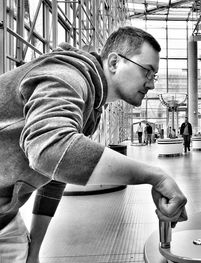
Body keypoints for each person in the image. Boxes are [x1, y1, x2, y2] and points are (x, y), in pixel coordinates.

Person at [0, 26, 187, 263]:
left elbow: (54, 174)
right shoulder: (66, 76)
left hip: (7, 220)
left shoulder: (91, 106)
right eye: (147, 72)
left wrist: (35, 249)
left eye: (154, 75)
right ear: (114, 62)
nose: (151, 85)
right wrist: (155, 176)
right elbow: (49, 150)